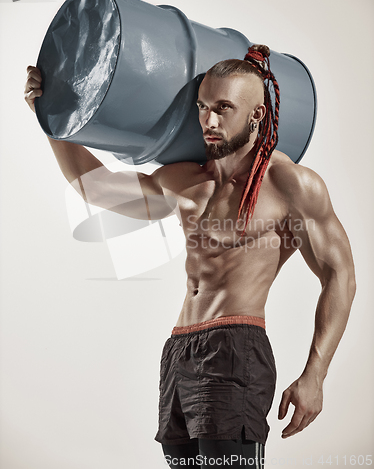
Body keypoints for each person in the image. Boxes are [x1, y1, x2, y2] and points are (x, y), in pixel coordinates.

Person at [24, 45, 356, 468]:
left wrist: (316, 375)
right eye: (202, 107)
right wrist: (49, 117)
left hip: (236, 346)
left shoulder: (290, 183)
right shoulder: (184, 179)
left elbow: (340, 276)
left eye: (223, 108)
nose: (209, 122)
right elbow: (99, 189)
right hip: (180, 349)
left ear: (256, 115)